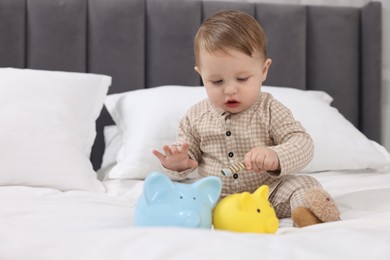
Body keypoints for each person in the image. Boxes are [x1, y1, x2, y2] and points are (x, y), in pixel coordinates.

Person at [153, 10, 340, 227]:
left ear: (263, 70)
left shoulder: (270, 109)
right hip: (216, 198)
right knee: (182, 195)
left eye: (242, 78)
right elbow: (188, 153)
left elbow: (302, 143)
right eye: (216, 81)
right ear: (201, 75)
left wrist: (275, 155)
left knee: (305, 184)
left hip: (267, 195)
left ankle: (308, 215)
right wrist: (179, 164)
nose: (230, 90)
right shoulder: (194, 117)